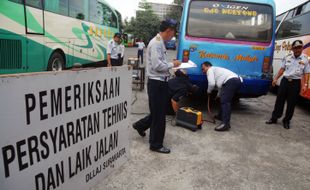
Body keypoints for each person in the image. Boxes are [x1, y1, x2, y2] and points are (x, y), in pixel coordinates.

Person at [132, 19, 181, 154]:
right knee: (159, 115)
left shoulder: (159, 42)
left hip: (159, 82)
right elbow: (157, 66)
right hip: (157, 83)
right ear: (169, 30)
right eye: (173, 32)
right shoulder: (157, 43)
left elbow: (160, 61)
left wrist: (170, 63)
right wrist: (173, 64)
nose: (173, 36)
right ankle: (156, 144)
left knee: (156, 111)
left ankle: (139, 125)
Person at [266, 40, 309, 129]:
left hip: (296, 83)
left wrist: (305, 85)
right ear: (292, 49)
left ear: (302, 48)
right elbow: (282, 69)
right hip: (285, 81)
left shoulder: (305, 59)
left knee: (291, 103)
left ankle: (286, 121)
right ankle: (274, 118)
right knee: (279, 100)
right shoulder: (287, 57)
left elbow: (306, 73)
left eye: (299, 47)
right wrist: (275, 78)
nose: (298, 50)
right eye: (296, 48)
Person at [201, 61, 242, 131]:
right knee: (223, 99)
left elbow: (211, 84)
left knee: (225, 101)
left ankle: (226, 124)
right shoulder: (217, 71)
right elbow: (221, 87)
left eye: (203, 69)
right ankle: (220, 116)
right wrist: (218, 95)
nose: (203, 71)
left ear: (208, 66)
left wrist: (208, 91)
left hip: (231, 81)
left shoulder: (210, 70)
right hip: (235, 81)